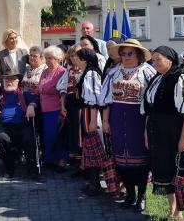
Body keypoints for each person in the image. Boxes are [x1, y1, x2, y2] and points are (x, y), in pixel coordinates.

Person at [143, 46, 184, 220]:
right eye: (153, 60)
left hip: (175, 131)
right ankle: (171, 207)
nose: (155, 63)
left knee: (177, 169)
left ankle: (180, 211)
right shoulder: (156, 79)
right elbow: (149, 110)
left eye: (158, 59)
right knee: (163, 169)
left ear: (170, 60)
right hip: (157, 131)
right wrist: (146, 133)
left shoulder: (181, 79)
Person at [102, 38, 156, 212]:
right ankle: (130, 194)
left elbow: (153, 100)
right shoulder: (113, 73)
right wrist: (105, 121)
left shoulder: (148, 72)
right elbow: (106, 100)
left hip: (138, 120)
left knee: (140, 159)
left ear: (138, 55)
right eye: (123, 53)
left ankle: (141, 196)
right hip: (117, 119)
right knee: (121, 160)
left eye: (130, 53)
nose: (125, 56)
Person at [76, 48, 118, 198]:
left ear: (84, 60)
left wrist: (93, 121)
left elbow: (94, 98)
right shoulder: (88, 72)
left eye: (78, 58)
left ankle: (96, 186)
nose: (75, 61)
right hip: (88, 112)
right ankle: (94, 184)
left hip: (91, 114)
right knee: (90, 150)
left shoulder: (91, 73)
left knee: (94, 149)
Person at [0, 72, 40, 180]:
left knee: (29, 136)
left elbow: (36, 99)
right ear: (3, 81)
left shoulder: (24, 93)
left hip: (22, 124)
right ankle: (9, 169)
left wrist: (32, 105)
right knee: (1, 137)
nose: (9, 82)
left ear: (18, 81)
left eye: (12, 79)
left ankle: (32, 169)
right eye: (6, 80)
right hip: (4, 125)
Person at [36, 46, 67, 170]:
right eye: (46, 58)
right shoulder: (45, 71)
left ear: (57, 58)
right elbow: (39, 87)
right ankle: (50, 160)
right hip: (44, 109)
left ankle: (61, 161)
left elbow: (61, 91)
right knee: (48, 135)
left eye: (51, 58)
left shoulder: (62, 72)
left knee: (57, 135)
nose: (48, 61)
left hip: (56, 108)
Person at [58, 46, 85, 165]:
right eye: (72, 56)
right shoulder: (68, 71)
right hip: (71, 103)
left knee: (81, 131)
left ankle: (83, 163)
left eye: (76, 55)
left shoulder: (86, 70)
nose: (74, 58)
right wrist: (63, 106)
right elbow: (63, 89)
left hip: (82, 104)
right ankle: (75, 162)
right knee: (72, 131)